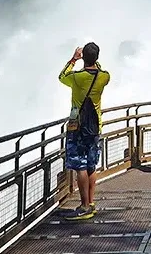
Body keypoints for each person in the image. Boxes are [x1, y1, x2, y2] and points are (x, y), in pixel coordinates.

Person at [59, 43, 111, 220]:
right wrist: (93, 60)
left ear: (84, 58)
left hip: (78, 127)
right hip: (96, 126)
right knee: (91, 165)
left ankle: (84, 206)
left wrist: (74, 59)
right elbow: (100, 69)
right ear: (97, 58)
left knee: (80, 166)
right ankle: (91, 201)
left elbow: (61, 76)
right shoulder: (104, 76)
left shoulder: (77, 77)